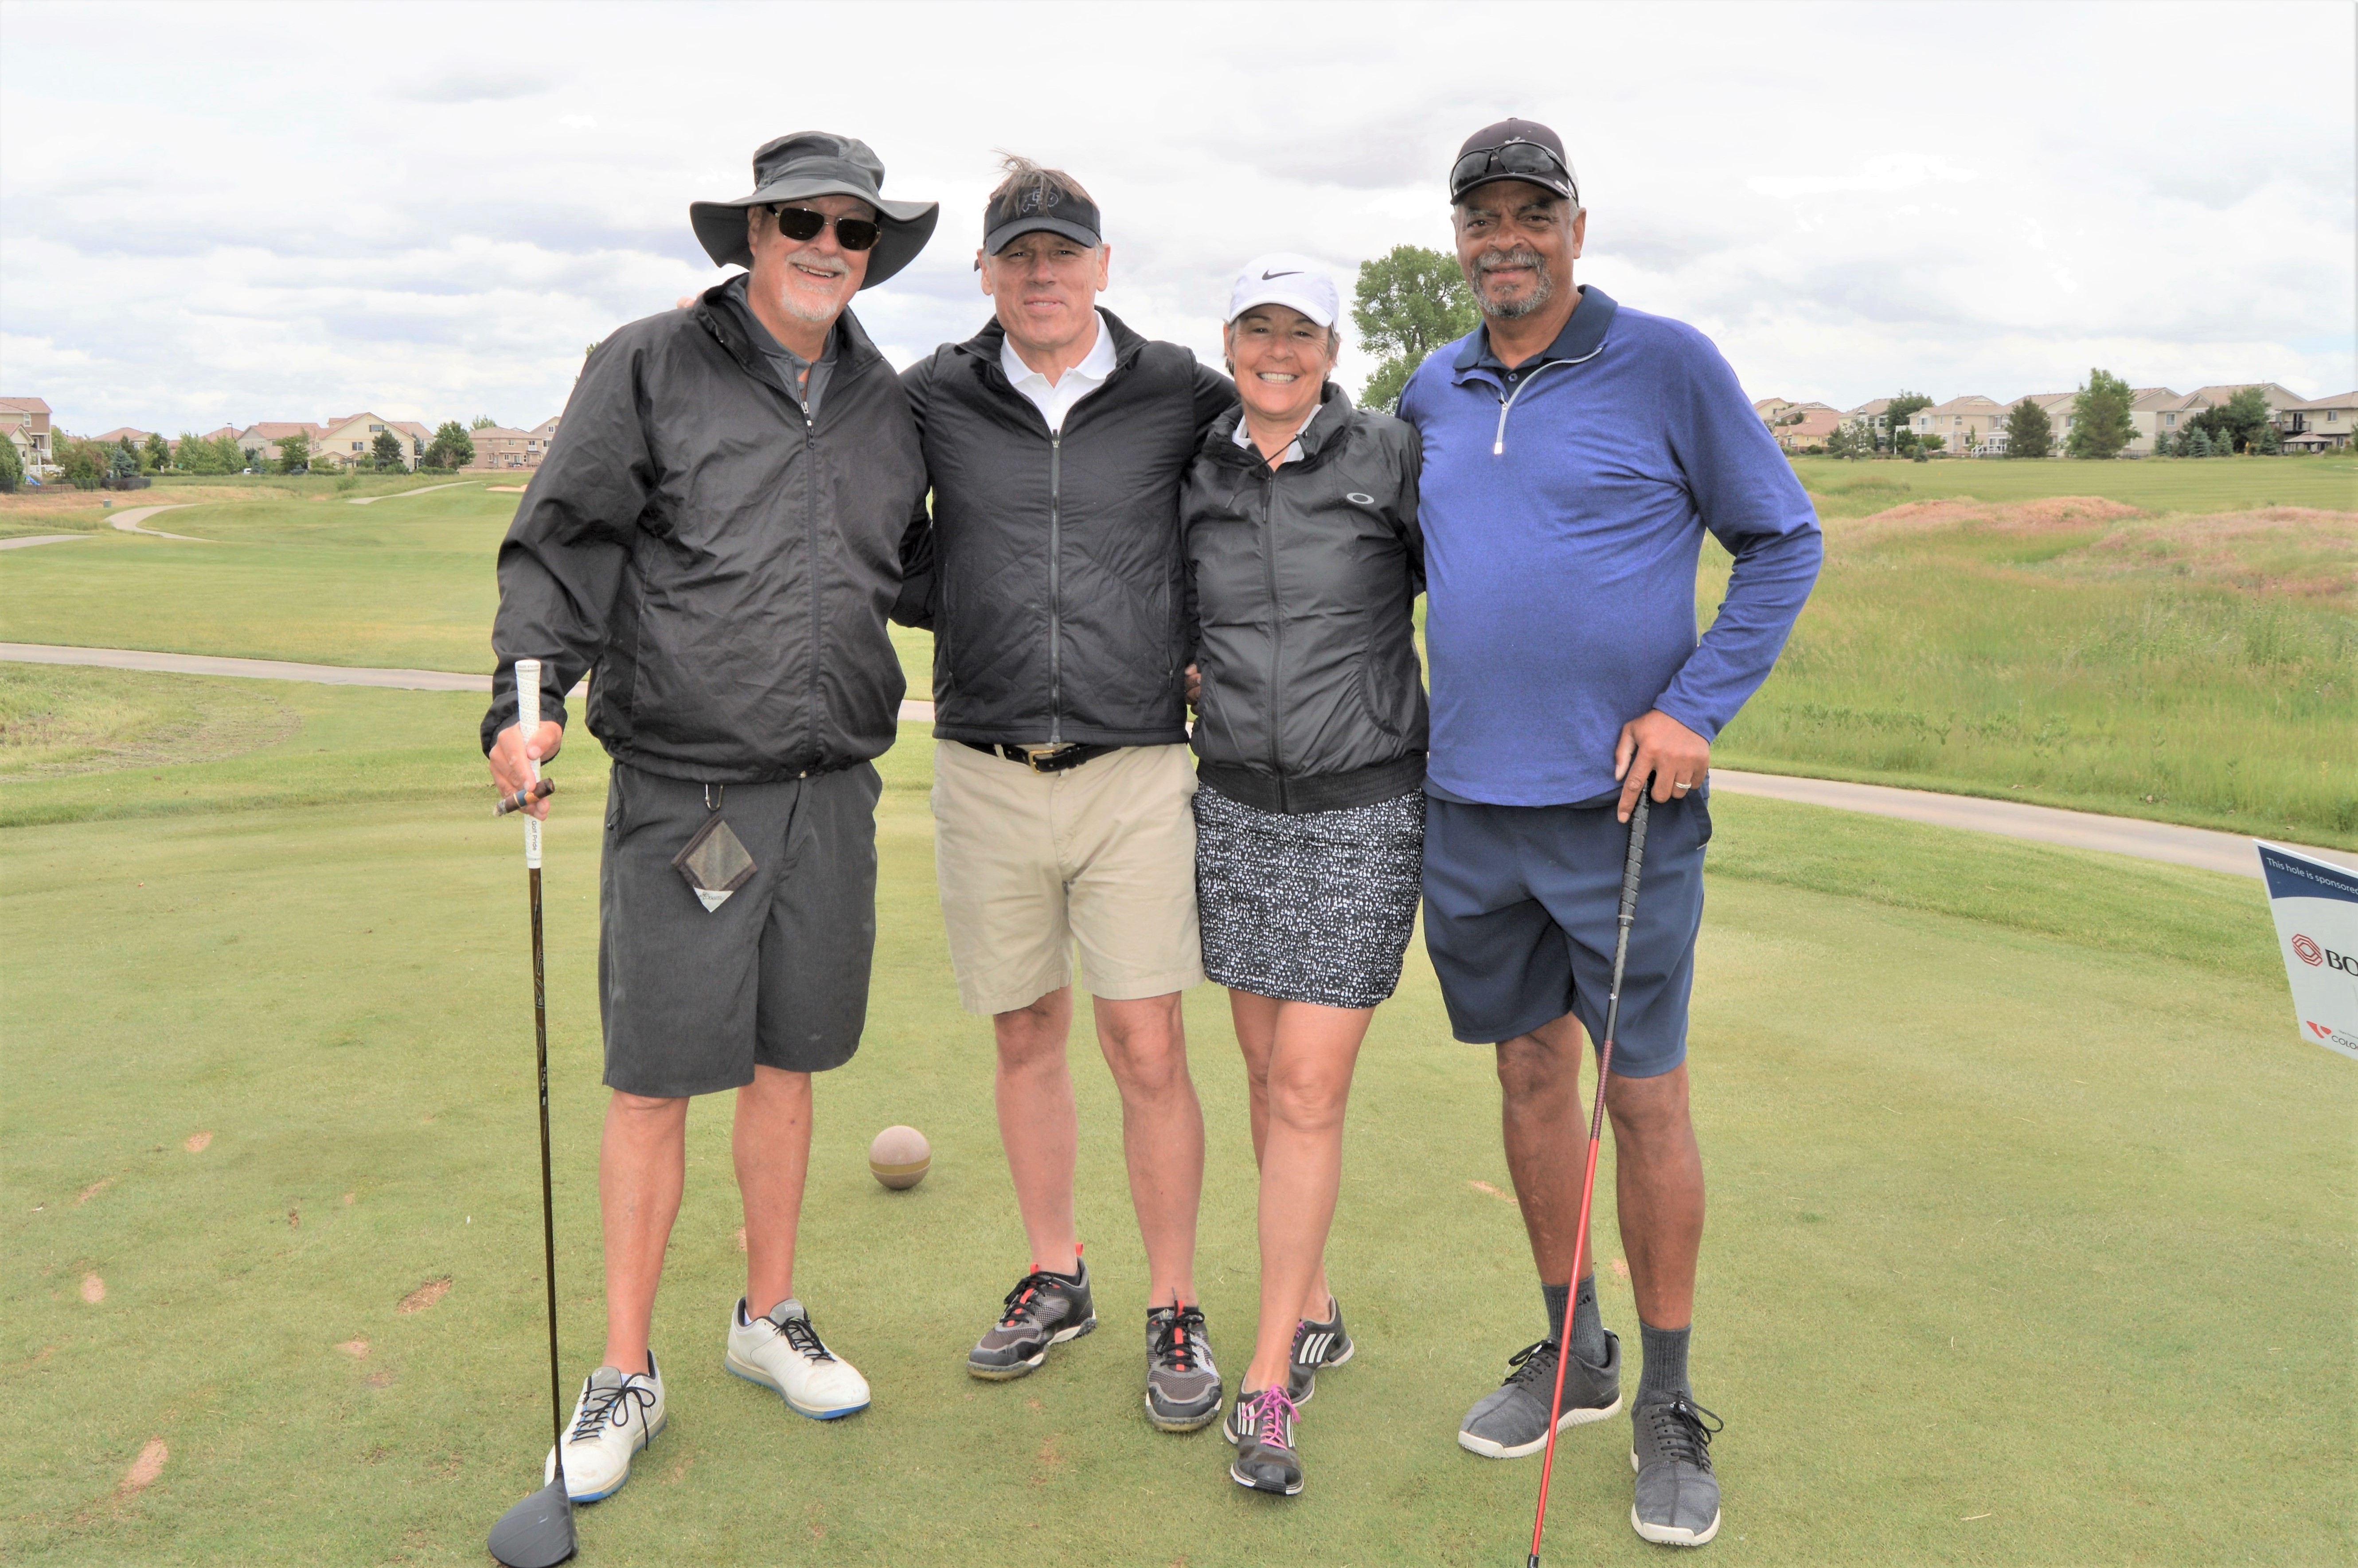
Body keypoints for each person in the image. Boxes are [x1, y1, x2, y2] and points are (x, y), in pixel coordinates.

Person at [480, 131, 937, 1504]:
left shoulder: (886, 401)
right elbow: (565, 540)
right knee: (655, 1077)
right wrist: (525, 698)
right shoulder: (651, 361)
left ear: (872, 253)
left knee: (792, 1060)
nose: (825, 245)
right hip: (687, 788)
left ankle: (766, 1315)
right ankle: (624, 1365)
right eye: (800, 219)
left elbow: (921, 567)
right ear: (751, 231)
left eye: (852, 230)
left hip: (833, 786)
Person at [1398, 120, 1821, 1548]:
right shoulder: (1431, 390)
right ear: (1457, 235)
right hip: (1471, 807)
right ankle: (1575, 1349)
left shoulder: (1669, 363)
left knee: (1642, 1099)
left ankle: (1670, 1402)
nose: (1504, 237)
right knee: (1528, 1073)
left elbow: (1784, 538)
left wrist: (1697, 706)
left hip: (1625, 811)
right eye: (1482, 216)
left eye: (1533, 211)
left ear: (1579, 225)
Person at [894, 156, 1235, 1431]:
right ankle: (1058, 1273)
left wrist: (1194, 626)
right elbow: (883, 535)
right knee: (1023, 1031)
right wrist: (968, 597)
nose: (1041, 274)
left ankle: (1174, 1302)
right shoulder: (933, 394)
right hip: (984, 767)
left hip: (1136, 765)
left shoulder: (1177, 391)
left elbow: (1251, 500)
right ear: (986, 274)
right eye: (1017, 256)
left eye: (1063, 253)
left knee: (1146, 1041)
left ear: (1103, 266)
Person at [1179, 257, 1425, 1496]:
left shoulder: (1389, 456)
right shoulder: (1202, 468)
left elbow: (1479, 594)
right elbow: (1172, 612)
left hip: (1365, 806)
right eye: (1257, 327)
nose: (1279, 349)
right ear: (1227, 340)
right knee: (1269, 1078)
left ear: (1331, 344)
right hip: (1234, 806)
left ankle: (1270, 1376)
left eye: (1301, 330)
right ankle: (1315, 1302)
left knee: (1309, 1093)